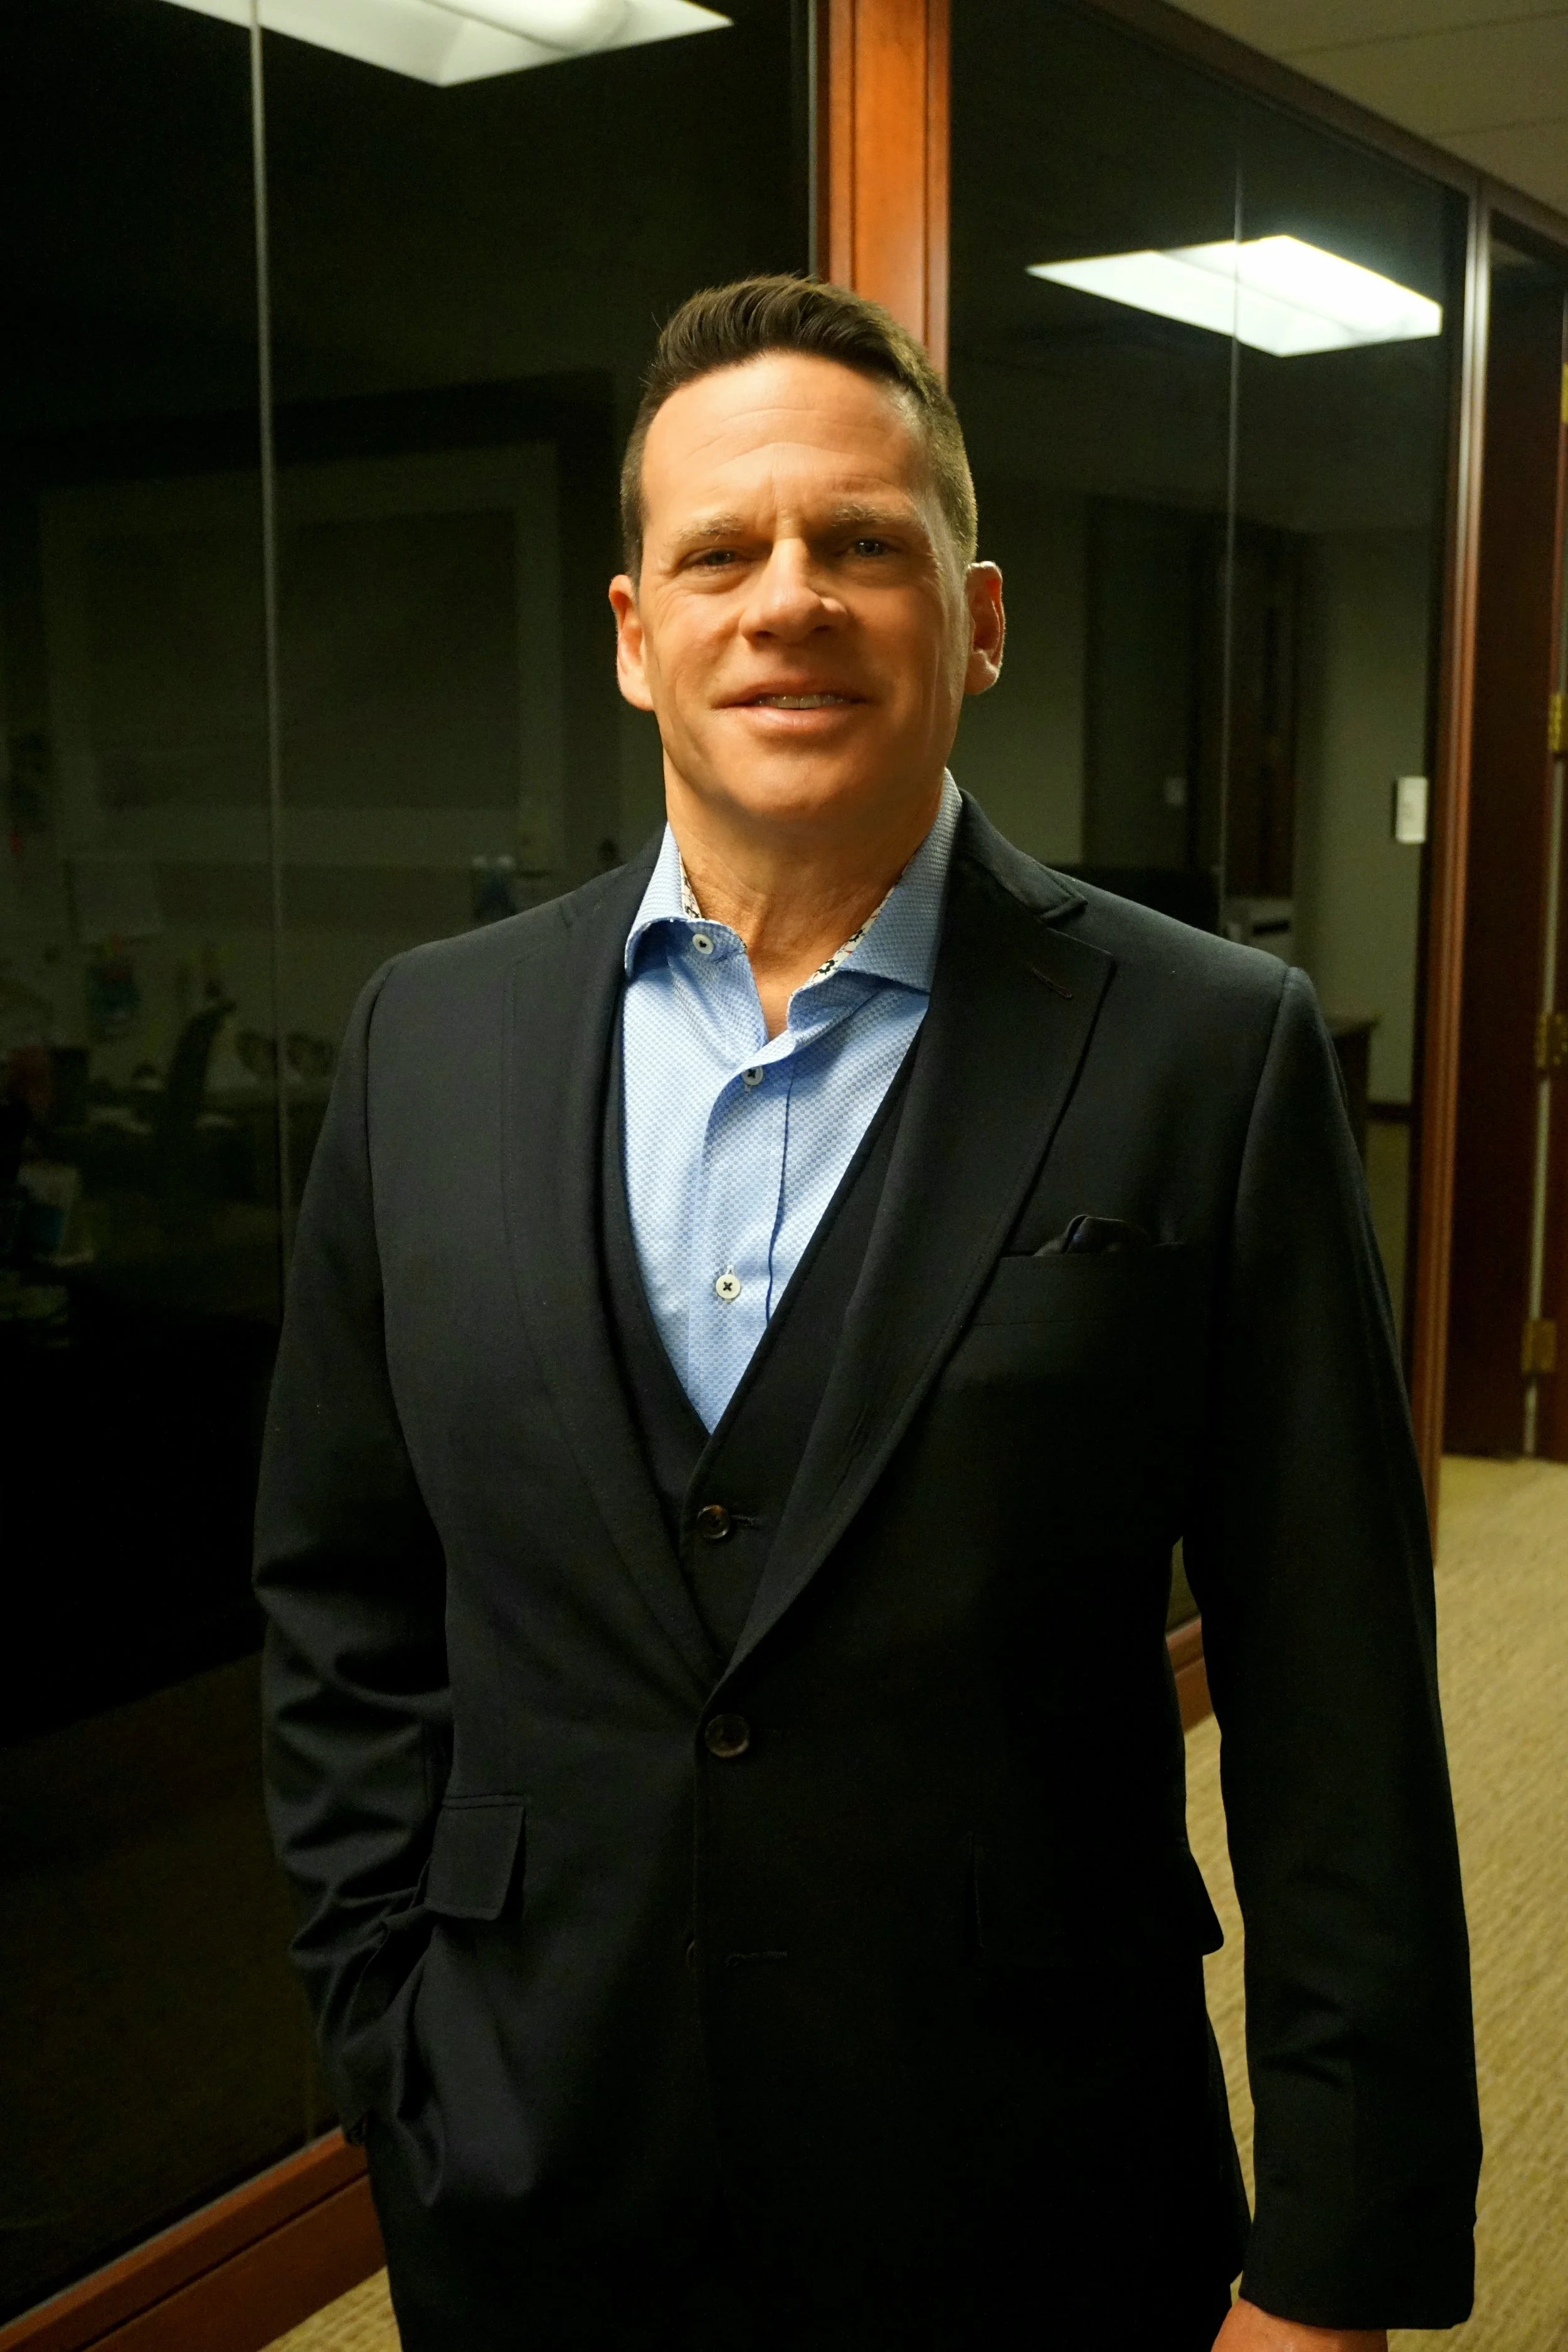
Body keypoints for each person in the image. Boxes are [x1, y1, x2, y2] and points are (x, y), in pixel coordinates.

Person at [255, 276, 1480, 2351]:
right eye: (718, 552)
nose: (787, 601)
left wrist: (1334, 2255)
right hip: (531, 2160)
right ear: (634, 631)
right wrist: (393, 2031)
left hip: (1026, 2170)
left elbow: (1335, 1688)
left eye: (859, 542)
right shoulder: (425, 1043)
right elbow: (338, 1593)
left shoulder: (1208, 1051)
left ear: (974, 620)